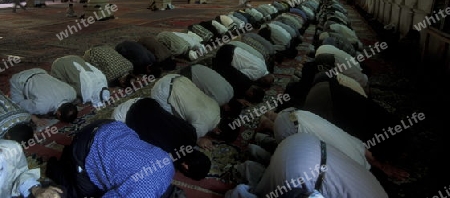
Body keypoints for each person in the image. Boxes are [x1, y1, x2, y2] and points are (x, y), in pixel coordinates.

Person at [262, 107, 409, 180]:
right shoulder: (354, 166)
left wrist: (383, 166)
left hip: (295, 113)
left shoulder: (359, 145)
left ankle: (270, 117)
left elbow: (371, 157)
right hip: (287, 129)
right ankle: (268, 127)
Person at [46, 119, 175, 198]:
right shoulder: (140, 194)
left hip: (111, 125)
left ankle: (70, 154)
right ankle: (54, 166)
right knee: (82, 194)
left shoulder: (169, 165)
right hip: (86, 144)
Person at [252, 133, 389, 198]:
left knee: (277, 169)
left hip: (305, 142)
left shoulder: (379, 191)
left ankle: (259, 146)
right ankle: (244, 174)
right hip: (298, 174)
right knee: (266, 194)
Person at [113, 97, 211, 180]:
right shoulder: (166, 159)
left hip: (145, 101)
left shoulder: (192, 135)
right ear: (186, 166)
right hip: (124, 114)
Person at [150, 74, 239, 150]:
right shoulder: (201, 128)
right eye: (217, 140)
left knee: (187, 113)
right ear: (218, 131)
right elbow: (184, 140)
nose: (215, 141)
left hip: (177, 77)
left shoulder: (217, 108)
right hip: (162, 89)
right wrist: (199, 140)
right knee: (171, 124)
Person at [9, 68, 78, 123]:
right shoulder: (42, 108)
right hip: (19, 80)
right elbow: (21, 105)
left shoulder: (72, 93)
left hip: (39, 71)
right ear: (59, 114)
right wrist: (35, 119)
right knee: (15, 106)